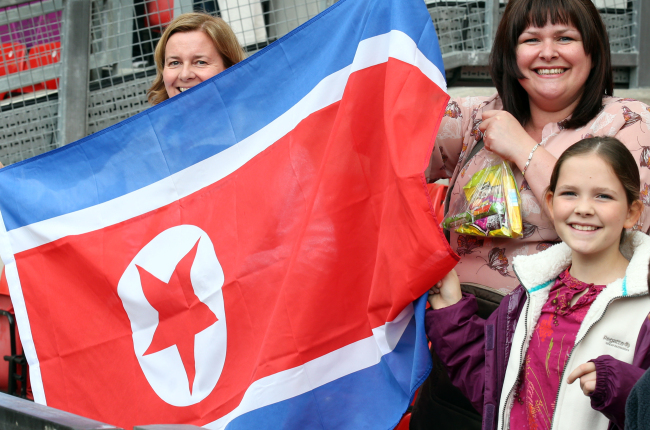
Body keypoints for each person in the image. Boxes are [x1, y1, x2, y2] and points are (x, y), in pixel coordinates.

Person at [426, 0, 650, 294]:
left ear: (593, 51)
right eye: (531, 39)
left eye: (565, 38)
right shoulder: (473, 116)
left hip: (555, 327)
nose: (547, 53)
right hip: (454, 319)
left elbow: (627, 231)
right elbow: (381, 151)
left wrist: (523, 148)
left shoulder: (628, 122)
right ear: (511, 54)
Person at [426, 137, 650, 430]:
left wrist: (627, 390)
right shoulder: (529, 295)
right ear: (550, 203)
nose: (583, 208)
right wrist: (451, 311)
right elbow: (492, 389)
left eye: (603, 196)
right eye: (570, 193)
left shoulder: (643, 311)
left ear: (632, 213)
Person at [147, 12, 245, 105]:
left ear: (231, 70)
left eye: (200, 62)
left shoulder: (255, 120)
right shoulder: (155, 122)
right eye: (175, 63)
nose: (185, 75)